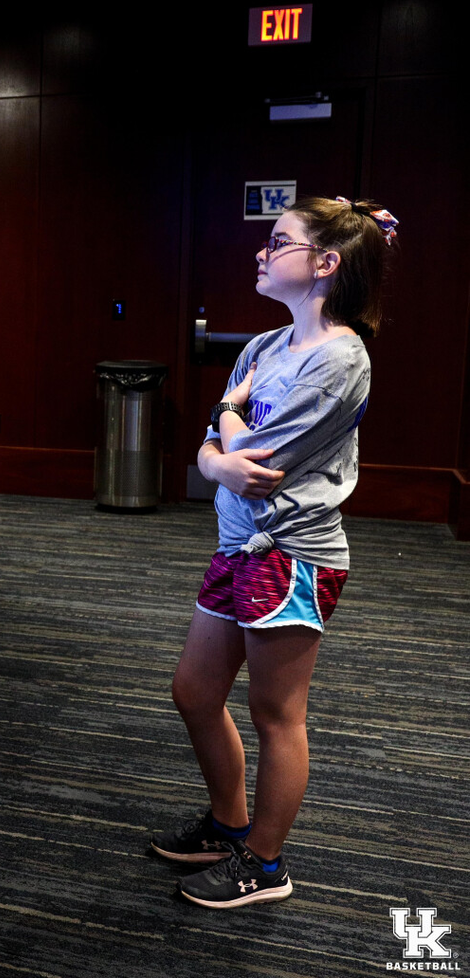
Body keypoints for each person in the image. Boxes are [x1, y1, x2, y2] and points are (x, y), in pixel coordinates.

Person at [150, 196, 399, 908]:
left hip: (294, 554)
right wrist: (218, 455)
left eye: (278, 241)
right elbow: (214, 447)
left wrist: (223, 442)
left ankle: (264, 863)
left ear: (326, 264)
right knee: (195, 693)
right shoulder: (262, 347)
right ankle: (230, 826)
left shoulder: (342, 358)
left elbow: (254, 456)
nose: (262, 253)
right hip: (238, 545)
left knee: (275, 712)